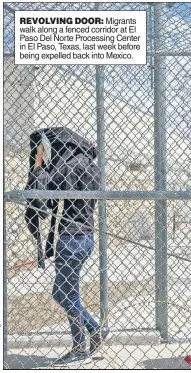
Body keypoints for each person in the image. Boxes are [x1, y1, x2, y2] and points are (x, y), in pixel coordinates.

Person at [34, 142, 110, 366]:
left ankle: (83, 343)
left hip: (70, 240)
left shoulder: (69, 166)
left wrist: (40, 162)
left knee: (68, 295)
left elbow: (42, 195)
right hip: (86, 238)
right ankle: (93, 330)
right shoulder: (95, 169)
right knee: (61, 293)